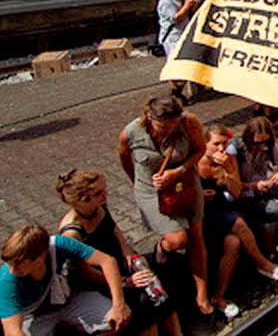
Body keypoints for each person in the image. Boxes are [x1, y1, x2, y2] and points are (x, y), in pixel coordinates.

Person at [56, 169, 182, 336]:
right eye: (99, 193)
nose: (105, 195)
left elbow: (115, 231)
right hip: (101, 280)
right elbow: (86, 273)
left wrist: (129, 253)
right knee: (142, 301)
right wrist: (126, 281)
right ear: (83, 200)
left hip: (119, 263)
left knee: (158, 287)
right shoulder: (72, 233)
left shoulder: (98, 207)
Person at [117, 96, 212, 315]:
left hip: (184, 182)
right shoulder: (130, 133)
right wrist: (139, 183)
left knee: (196, 235)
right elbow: (124, 158)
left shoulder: (189, 122)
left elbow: (199, 150)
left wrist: (179, 171)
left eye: (173, 124)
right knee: (178, 239)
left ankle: (202, 292)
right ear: (150, 118)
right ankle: (162, 247)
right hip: (151, 189)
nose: (169, 130)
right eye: (163, 126)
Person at [197, 125, 278, 318]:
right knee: (238, 224)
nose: (221, 149)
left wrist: (228, 170)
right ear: (204, 144)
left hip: (221, 209)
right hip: (202, 215)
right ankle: (262, 263)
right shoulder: (196, 163)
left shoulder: (227, 160)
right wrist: (199, 196)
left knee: (234, 242)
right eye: (216, 144)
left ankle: (219, 297)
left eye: (224, 143)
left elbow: (236, 192)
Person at [0, 224, 131, 335]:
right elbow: (12, 331)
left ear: (39, 257)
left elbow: (107, 261)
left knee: (119, 319)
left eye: (18, 265)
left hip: (69, 300)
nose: (12, 270)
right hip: (35, 316)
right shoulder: (7, 280)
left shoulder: (59, 244)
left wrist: (118, 304)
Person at [227, 117, 278, 256]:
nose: (262, 146)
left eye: (265, 142)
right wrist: (254, 186)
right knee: (272, 210)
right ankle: (269, 251)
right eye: (258, 143)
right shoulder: (235, 150)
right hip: (244, 192)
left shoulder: (268, 145)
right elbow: (233, 184)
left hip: (263, 188)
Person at [157, 0, 200, 102]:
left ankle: (177, 93)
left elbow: (188, 14)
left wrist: (192, 5)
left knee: (185, 65)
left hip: (182, 35)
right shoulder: (166, 1)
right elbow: (176, 18)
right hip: (172, 38)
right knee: (177, 67)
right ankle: (175, 93)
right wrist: (187, 5)